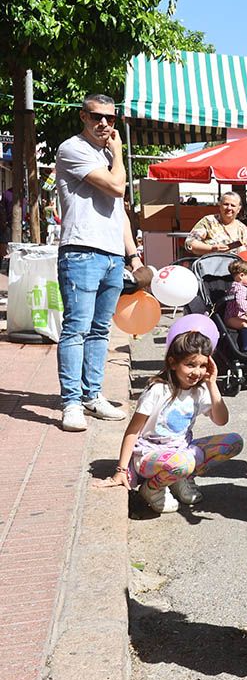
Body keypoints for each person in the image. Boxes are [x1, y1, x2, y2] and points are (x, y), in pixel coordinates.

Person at [55, 93, 145, 432]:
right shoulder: (72, 149)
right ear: (83, 117)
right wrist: (119, 153)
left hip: (110, 255)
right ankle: (71, 403)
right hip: (81, 250)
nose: (104, 123)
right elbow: (116, 187)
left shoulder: (105, 155)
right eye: (96, 117)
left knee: (99, 330)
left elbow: (118, 211)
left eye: (110, 117)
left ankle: (92, 395)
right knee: (76, 328)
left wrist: (132, 256)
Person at [108, 330, 242, 514]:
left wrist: (212, 383)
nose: (197, 372)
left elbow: (221, 420)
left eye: (203, 365)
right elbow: (133, 431)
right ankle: (152, 488)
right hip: (149, 456)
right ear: (173, 363)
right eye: (190, 364)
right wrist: (121, 470)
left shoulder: (200, 389)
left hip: (181, 453)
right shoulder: (157, 390)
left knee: (233, 442)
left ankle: (181, 479)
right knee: (183, 463)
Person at [185, 191, 247, 256]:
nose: (229, 208)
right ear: (220, 206)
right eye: (226, 204)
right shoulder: (208, 221)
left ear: (238, 209)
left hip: (236, 268)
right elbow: (190, 243)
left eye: (233, 205)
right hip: (211, 268)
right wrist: (212, 248)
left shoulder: (243, 229)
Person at [223, 258, 247, 352]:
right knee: (246, 325)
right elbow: (240, 301)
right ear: (241, 276)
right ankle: (245, 346)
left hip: (239, 316)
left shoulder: (234, 286)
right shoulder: (240, 288)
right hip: (232, 318)